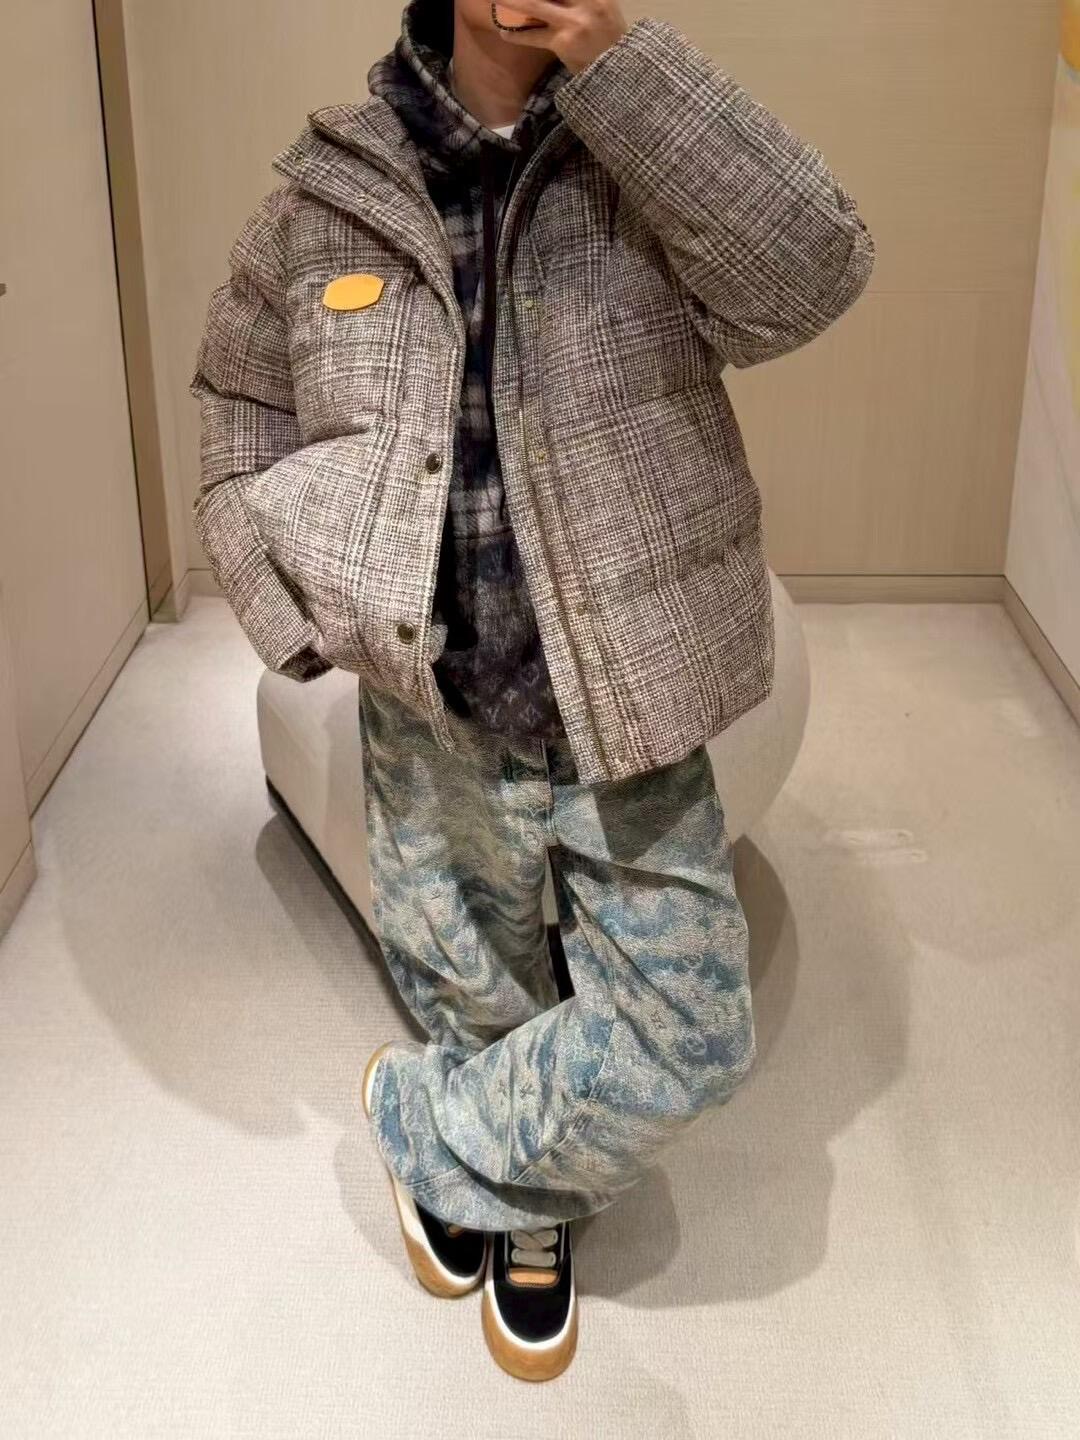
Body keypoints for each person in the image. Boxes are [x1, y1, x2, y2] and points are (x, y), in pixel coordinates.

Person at [190, 0, 875, 1383]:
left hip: (624, 696)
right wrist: (294, 610)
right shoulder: (329, 193)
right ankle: (529, 1196)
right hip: (432, 703)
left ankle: (430, 1136)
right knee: (477, 996)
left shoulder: (642, 152)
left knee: (688, 1031)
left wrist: (616, 57)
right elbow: (235, 405)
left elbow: (815, 270)